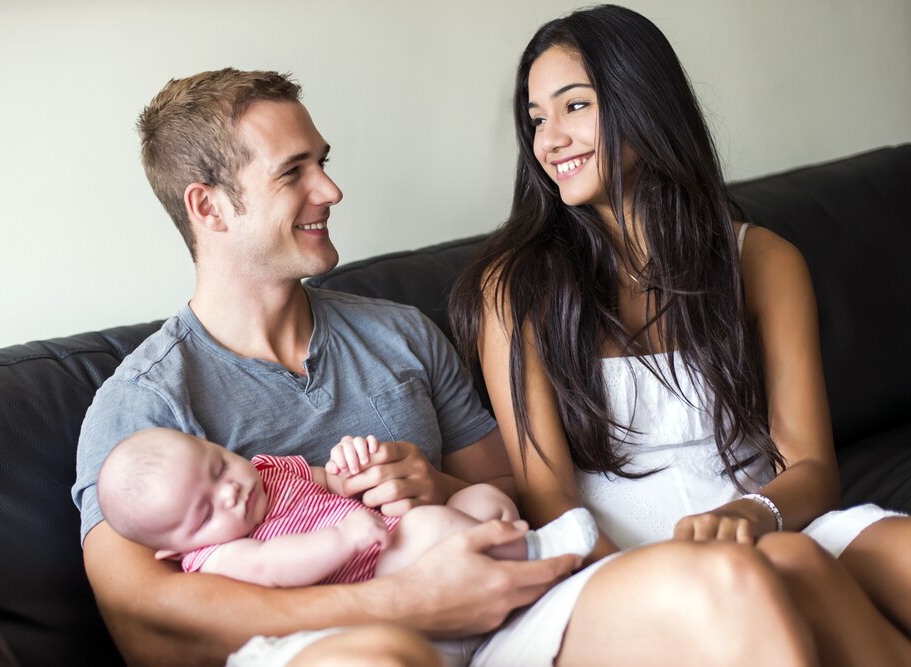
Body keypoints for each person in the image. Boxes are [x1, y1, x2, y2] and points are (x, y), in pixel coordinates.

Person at [72, 66, 823, 667]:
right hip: (342, 644)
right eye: (294, 172)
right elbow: (147, 626)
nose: (330, 190)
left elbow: (513, 490)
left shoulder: (399, 333)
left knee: (731, 581)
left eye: (323, 163)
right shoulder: (143, 405)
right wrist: (408, 603)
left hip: (501, 616)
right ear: (209, 208)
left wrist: (438, 485)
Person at [449, 5, 911, 665]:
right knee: (766, 572)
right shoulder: (516, 290)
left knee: (849, 555)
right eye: (536, 118)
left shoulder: (762, 261)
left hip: (768, 524)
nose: (549, 139)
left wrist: (757, 511)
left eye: (574, 106)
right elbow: (554, 505)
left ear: (644, 100)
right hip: (609, 570)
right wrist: (677, 575)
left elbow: (810, 466)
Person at [97, 429, 598, 586]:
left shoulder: (270, 470)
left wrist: (354, 461)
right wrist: (341, 541)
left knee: (481, 498)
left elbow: (334, 479)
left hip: (394, 529)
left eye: (217, 468)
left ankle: (524, 551)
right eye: (205, 512)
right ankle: (542, 559)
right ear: (174, 551)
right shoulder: (219, 558)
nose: (229, 492)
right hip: (378, 573)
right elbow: (272, 567)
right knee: (429, 524)